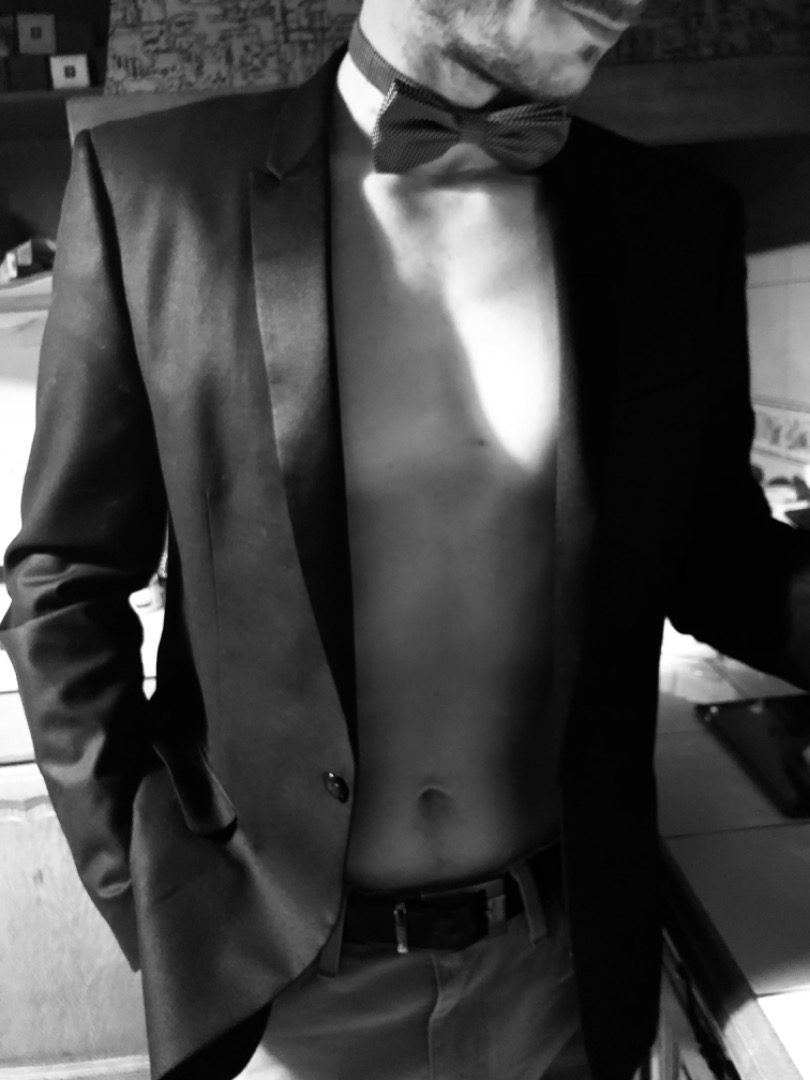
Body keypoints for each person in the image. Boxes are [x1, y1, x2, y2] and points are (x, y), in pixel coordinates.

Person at [3, 1, 810, 1078]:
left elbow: (719, 562)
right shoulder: (152, 193)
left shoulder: (673, 223)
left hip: (559, 980)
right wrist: (153, 903)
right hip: (282, 991)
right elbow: (64, 587)